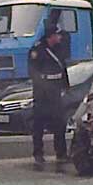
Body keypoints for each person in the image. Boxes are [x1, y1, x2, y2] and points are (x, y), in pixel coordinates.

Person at [28, 26, 70, 168]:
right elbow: (33, 71)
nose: (60, 38)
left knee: (59, 122)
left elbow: (63, 68)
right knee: (39, 124)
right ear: (50, 36)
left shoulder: (60, 48)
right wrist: (43, 86)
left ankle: (61, 153)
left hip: (56, 91)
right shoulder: (38, 50)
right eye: (57, 35)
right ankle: (38, 154)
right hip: (42, 92)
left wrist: (65, 87)